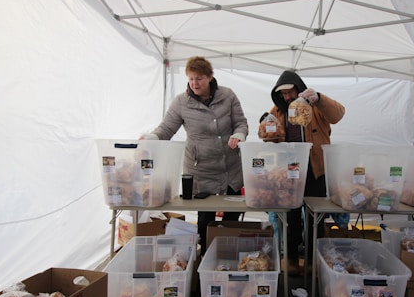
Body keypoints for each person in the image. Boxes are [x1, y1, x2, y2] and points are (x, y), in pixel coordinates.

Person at [141, 56, 248, 251]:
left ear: (209, 77)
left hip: (230, 169)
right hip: (201, 171)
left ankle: (230, 253)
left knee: (232, 215)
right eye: (190, 78)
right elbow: (166, 128)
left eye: (199, 78)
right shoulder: (182, 103)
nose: (194, 83)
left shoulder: (228, 96)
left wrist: (239, 134)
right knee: (205, 218)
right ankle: (205, 257)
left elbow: (240, 122)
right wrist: (152, 138)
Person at [263, 70, 345, 275]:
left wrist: (318, 99)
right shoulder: (279, 111)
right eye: (284, 94)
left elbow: (338, 114)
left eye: (291, 92)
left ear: (299, 89)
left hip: (316, 170)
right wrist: (267, 125)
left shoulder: (315, 107)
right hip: (289, 172)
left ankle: (311, 261)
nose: (288, 97)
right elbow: (268, 135)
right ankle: (290, 260)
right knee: (290, 218)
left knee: (314, 217)